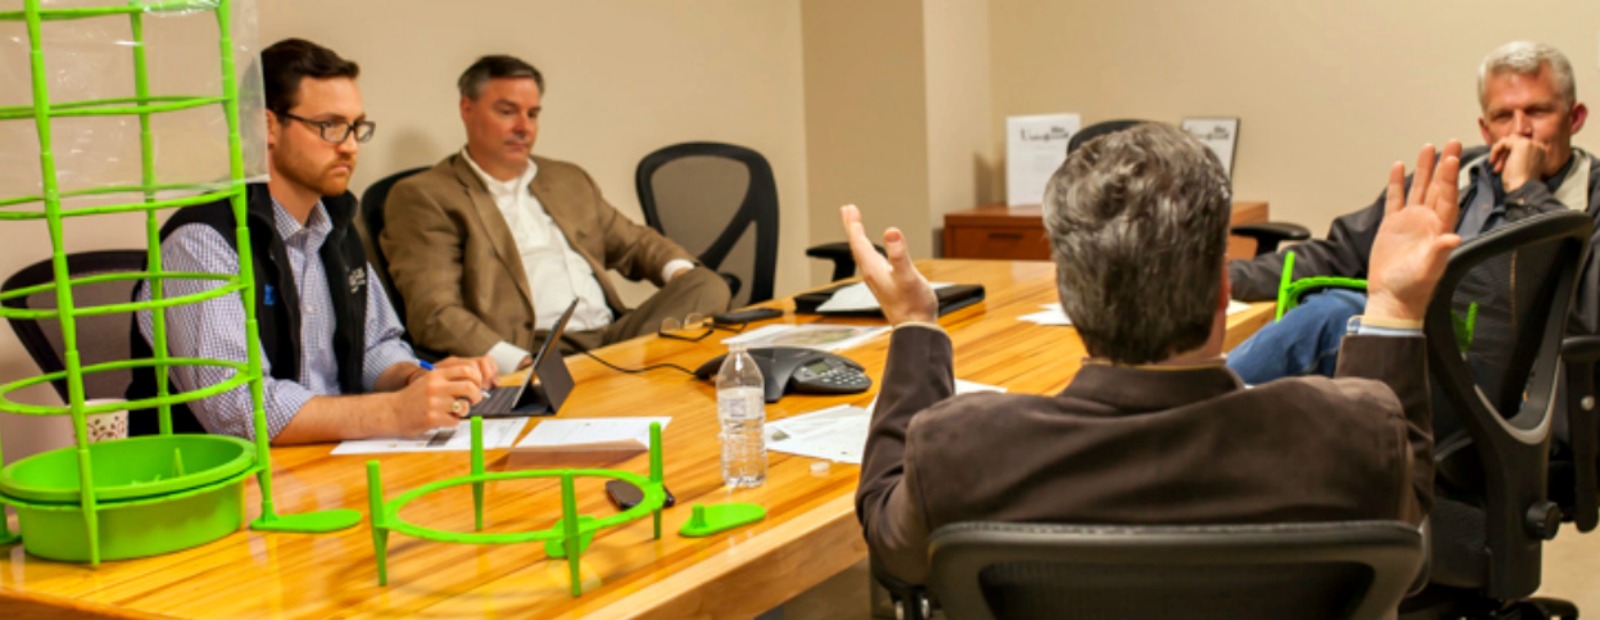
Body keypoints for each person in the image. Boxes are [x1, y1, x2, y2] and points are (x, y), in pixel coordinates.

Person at [851, 123, 1459, 584]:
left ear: (1068, 291)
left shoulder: (962, 450)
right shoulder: (1349, 438)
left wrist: (914, 327)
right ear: (1224, 289)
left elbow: (892, 539)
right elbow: (1407, 500)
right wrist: (1394, 308)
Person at [128, 38, 497, 443]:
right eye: (330, 126)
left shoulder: (336, 226)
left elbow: (374, 348)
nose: (350, 146)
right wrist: (393, 410)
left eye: (357, 127)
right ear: (265, 126)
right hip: (232, 488)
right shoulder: (201, 244)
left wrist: (416, 380)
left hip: (327, 462)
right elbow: (238, 409)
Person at [1228, 41, 1599, 399]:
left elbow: (1587, 309)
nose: (1520, 130)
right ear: (1486, 130)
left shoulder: (1592, 195)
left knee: (1333, 317)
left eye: (1537, 111)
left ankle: (1194, 416)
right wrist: (1227, 279)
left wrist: (1526, 191)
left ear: (1575, 118)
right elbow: (1340, 253)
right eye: (1503, 116)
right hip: (1421, 358)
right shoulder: (1452, 175)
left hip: (1524, 397)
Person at [380, 55, 731, 373]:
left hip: (614, 337)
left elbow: (635, 243)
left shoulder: (567, 179)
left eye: (532, 114)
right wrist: (520, 363)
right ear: (467, 109)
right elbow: (435, 312)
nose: (524, 126)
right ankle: (630, 375)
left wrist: (679, 274)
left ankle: (628, 370)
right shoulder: (425, 195)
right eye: (507, 111)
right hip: (532, 348)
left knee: (706, 284)